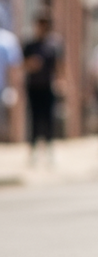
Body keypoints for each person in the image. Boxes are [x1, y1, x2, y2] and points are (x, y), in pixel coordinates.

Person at [21, 9, 62, 160]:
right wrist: (30, 64)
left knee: (48, 118)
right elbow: (21, 64)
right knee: (34, 118)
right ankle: (33, 150)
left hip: (48, 86)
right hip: (33, 86)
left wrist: (61, 81)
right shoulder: (30, 45)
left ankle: (49, 149)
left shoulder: (53, 45)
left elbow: (59, 65)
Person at [0, 22, 22, 142]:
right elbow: (13, 68)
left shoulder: (7, 40)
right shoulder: (9, 40)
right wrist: (13, 87)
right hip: (4, 86)